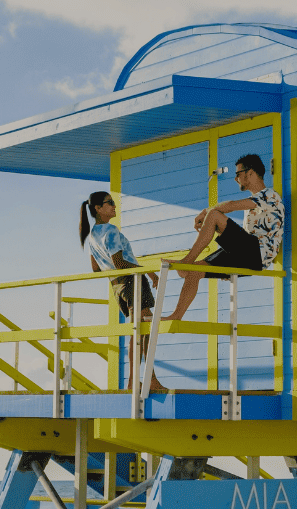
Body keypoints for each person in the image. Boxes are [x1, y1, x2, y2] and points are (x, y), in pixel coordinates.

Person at [159, 154, 283, 320]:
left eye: (238, 173)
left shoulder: (270, 195)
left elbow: (231, 206)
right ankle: (176, 315)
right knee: (195, 272)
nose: (235, 178)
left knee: (215, 215)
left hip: (255, 253)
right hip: (248, 254)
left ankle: (186, 262)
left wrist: (206, 212)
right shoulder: (257, 201)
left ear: (250, 172)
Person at [80, 191, 166, 392]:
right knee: (145, 330)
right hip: (132, 281)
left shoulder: (92, 235)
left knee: (139, 331)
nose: (114, 206)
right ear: (98, 209)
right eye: (109, 203)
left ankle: (137, 379)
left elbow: (95, 268)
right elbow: (119, 263)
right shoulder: (111, 230)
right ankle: (144, 379)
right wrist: (148, 272)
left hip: (117, 285)